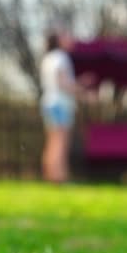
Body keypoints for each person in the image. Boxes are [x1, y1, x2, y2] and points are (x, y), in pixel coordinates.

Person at [40, 28, 94, 184]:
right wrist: (83, 91)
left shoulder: (48, 58)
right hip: (60, 104)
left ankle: (51, 176)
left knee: (52, 141)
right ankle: (60, 178)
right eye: (66, 35)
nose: (70, 38)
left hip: (48, 102)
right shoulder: (61, 57)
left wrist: (78, 85)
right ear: (58, 41)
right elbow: (63, 84)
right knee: (61, 142)